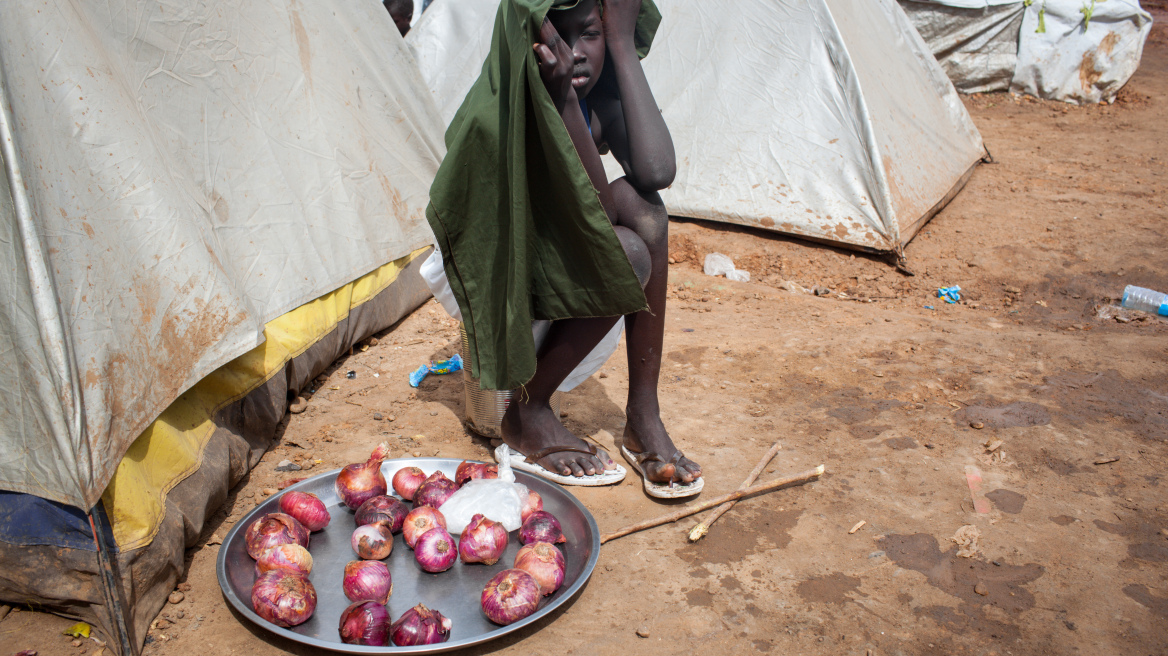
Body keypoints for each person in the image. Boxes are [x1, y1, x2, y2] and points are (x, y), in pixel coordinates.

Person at [496, 0, 702, 495]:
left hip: (569, 259)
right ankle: (528, 410)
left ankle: (642, 414)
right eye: (559, 39)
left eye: (589, 34)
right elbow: (600, 220)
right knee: (628, 252)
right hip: (508, 272)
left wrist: (622, 47)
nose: (575, 54)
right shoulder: (528, 99)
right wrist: (564, 99)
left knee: (645, 207)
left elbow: (656, 172)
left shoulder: (592, 96)